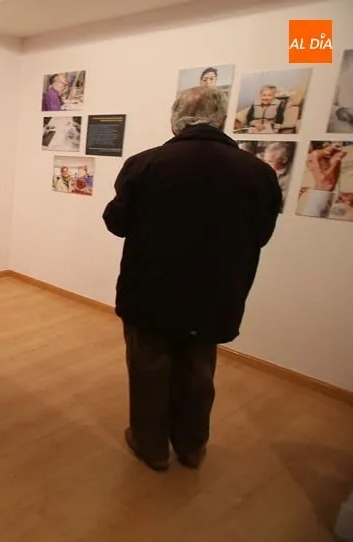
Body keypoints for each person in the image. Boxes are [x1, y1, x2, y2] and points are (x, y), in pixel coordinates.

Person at [102, 86, 282, 472]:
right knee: (199, 372)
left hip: (151, 290)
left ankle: (151, 447)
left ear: (175, 121)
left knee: (149, 369)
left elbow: (116, 222)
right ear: (221, 120)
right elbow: (262, 234)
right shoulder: (258, 173)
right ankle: (191, 446)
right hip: (217, 294)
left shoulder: (145, 164)